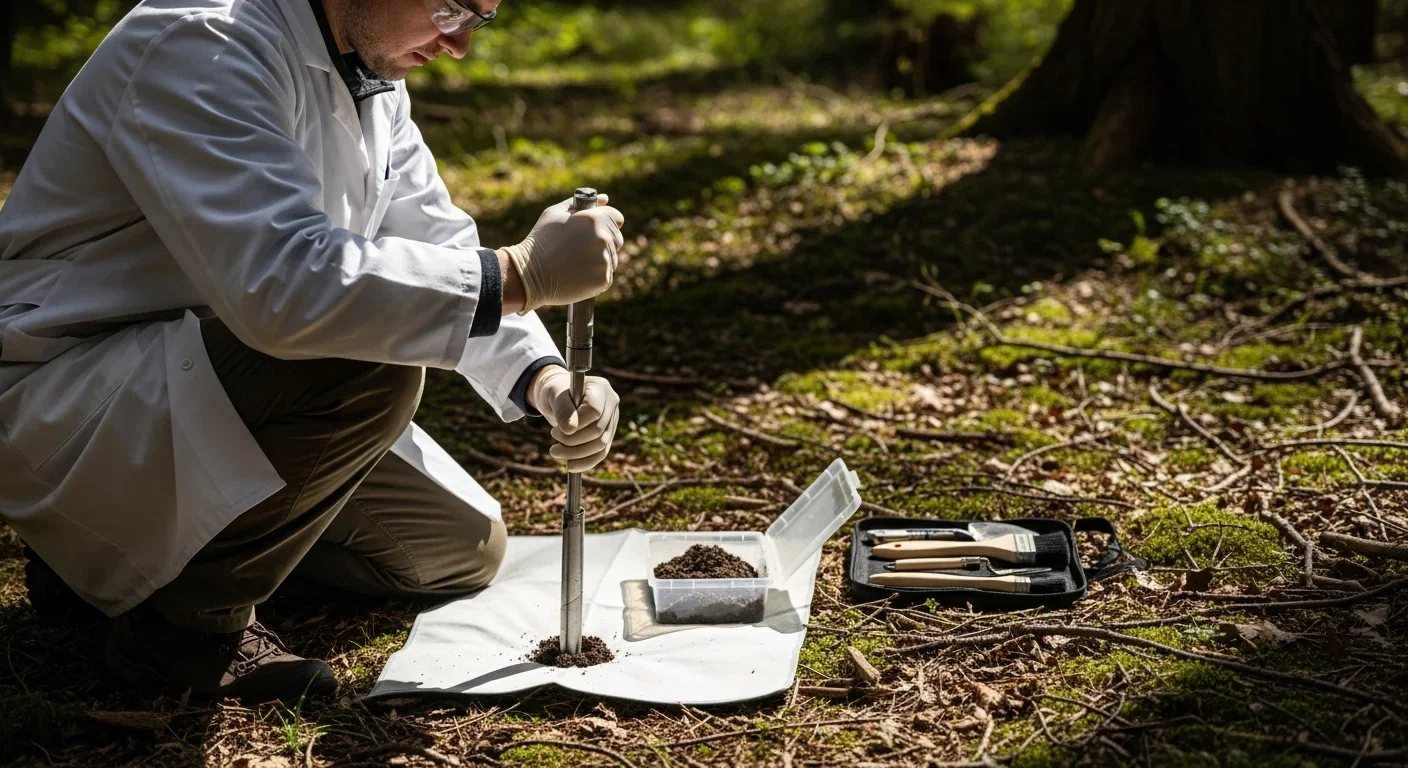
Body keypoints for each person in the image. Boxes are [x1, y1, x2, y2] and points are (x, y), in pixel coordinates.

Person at [0, 0, 623, 704]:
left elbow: (430, 242)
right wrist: (520, 275)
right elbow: (284, 291)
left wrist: (545, 378)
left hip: (214, 382)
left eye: (479, 17)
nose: (458, 46)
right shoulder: (201, 42)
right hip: (76, 387)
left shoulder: (370, 69)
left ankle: (108, 564)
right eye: (449, 7)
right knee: (373, 363)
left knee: (457, 549)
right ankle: (181, 634)